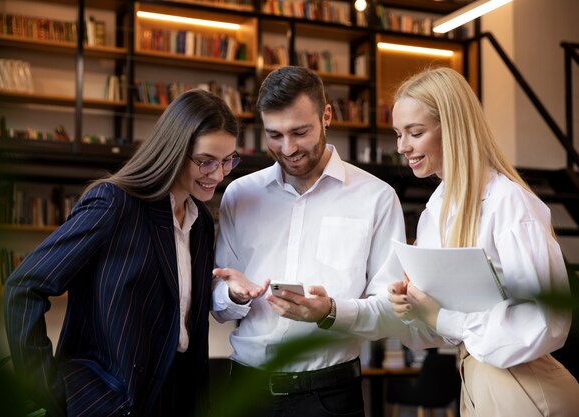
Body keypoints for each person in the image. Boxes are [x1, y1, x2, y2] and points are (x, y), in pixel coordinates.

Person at [4, 89, 242, 417]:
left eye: (228, 160)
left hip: (179, 398)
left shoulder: (200, 222)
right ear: (173, 149)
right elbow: (24, 286)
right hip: (112, 403)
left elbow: (186, 323)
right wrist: (47, 392)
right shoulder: (114, 204)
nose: (218, 174)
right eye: (205, 161)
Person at [210, 66, 410, 417]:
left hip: (329, 396)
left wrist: (330, 312)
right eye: (274, 135)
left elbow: (391, 314)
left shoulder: (377, 198)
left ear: (326, 115)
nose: (288, 149)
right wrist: (232, 294)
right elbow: (219, 303)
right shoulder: (240, 194)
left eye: (299, 132)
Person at [387, 67, 579, 416]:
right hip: (475, 382)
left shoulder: (508, 203)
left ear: (453, 127)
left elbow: (547, 319)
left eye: (415, 132)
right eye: (399, 133)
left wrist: (443, 318)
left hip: (521, 388)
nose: (402, 147)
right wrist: (418, 310)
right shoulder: (436, 212)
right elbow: (452, 331)